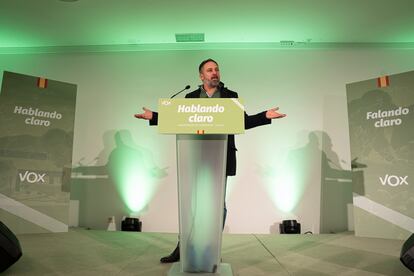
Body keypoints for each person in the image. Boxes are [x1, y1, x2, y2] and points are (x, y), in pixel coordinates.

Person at [134, 58, 286, 263]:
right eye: (209, 70)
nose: (215, 72)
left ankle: (211, 248)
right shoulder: (191, 97)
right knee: (192, 205)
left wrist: (265, 115)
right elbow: (176, 119)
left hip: (221, 157)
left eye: (217, 69)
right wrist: (153, 116)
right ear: (201, 76)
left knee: (217, 206)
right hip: (195, 156)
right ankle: (184, 248)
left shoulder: (230, 96)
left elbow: (243, 122)